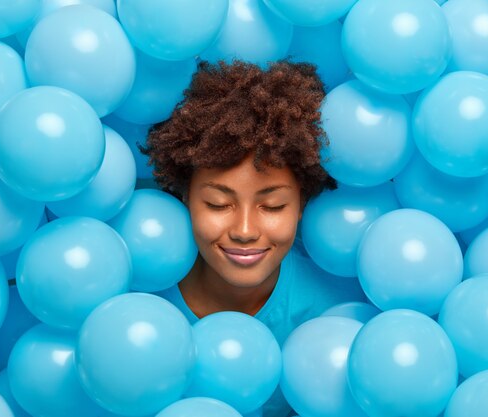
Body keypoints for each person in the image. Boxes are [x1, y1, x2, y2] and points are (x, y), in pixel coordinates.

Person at [142, 59, 361, 416]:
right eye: (218, 203)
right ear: (185, 197)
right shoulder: (138, 289)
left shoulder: (335, 315)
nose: (244, 231)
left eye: (273, 206)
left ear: (301, 204)